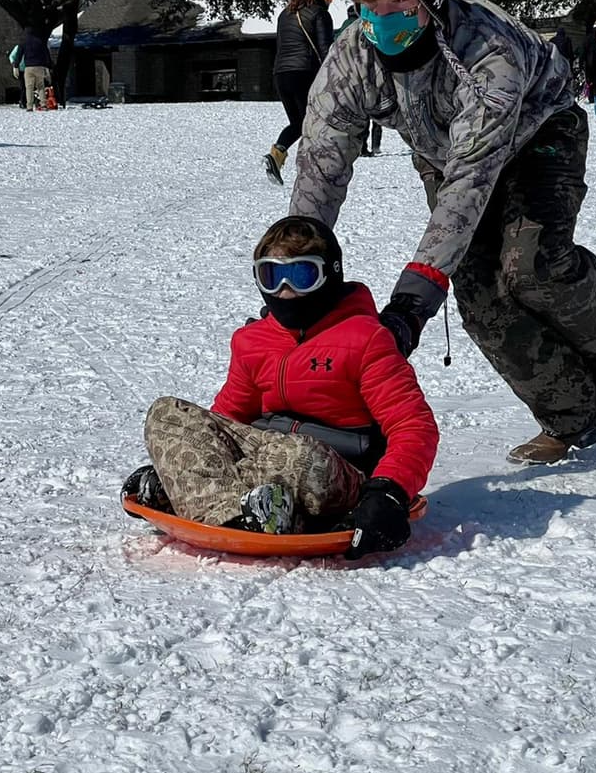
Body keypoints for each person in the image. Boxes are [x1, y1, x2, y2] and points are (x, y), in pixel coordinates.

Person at [288, 0, 596, 465]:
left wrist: (414, 299)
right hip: (442, 153)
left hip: (539, 134)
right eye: (371, 6)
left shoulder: (487, 50)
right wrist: (299, 266)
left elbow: (470, 182)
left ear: (431, 1)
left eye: (399, 5)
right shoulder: (351, 58)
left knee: (532, 264)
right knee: (480, 296)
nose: (381, 20)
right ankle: (570, 416)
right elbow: (321, 164)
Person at [121, 216, 439, 559]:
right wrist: (190, 449)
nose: (285, 290)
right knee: (167, 412)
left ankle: (196, 493)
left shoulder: (365, 339)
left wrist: (388, 491)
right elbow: (227, 418)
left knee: (299, 456)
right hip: (266, 453)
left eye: (301, 275)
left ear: (329, 275)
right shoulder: (253, 341)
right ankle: (243, 513)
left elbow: (413, 426)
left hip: (335, 469)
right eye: (272, 276)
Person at [263, 0, 336, 185]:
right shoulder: (319, 13)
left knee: (299, 122)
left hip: (281, 74)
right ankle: (315, 171)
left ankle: (277, 154)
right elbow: (325, 50)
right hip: (304, 73)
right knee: (315, 122)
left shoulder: (284, 14)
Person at [337, 4, 384, 156]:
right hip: (368, 72)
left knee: (358, 112)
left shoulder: (343, 28)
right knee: (375, 111)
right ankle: (374, 147)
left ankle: (360, 147)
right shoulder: (364, 25)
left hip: (347, 74)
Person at [17, 26, 54, 111]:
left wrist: (16, 65)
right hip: (39, 66)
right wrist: (48, 66)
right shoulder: (40, 42)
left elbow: (19, 55)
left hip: (28, 67)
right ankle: (43, 104)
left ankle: (29, 106)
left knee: (29, 87)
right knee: (40, 86)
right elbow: (46, 54)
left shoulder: (24, 42)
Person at [8, 44, 27, 109]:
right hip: (21, 69)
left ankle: (26, 101)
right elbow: (11, 56)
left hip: (29, 68)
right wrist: (14, 65)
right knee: (23, 86)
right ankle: (23, 101)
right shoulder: (18, 47)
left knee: (27, 86)